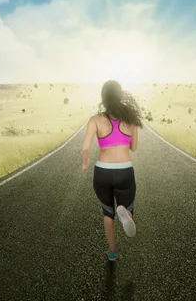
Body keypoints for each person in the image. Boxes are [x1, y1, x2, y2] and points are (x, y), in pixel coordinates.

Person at [81, 80, 143, 262]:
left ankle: (112, 252)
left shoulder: (95, 120)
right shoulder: (131, 119)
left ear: (104, 98)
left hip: (103, 172)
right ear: (120, 96)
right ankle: (127, 213)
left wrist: (85, 163)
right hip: (124, 171)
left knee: (108, 212)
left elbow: (85, 147)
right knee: (127, 204)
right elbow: (134, 147)